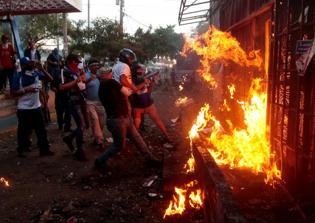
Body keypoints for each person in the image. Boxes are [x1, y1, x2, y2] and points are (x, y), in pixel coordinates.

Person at [94, 70, 160, 169]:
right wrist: (143, 84)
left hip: (120, 119)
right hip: (118, 120)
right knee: (119, 146)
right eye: (109, 72)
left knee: (137, 138)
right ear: (104, 75)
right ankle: (99, 161)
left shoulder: (101, 87)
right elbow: (128, 93)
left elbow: (121, 95)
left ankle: (150, 159)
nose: (111, 73)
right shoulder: (111, 82)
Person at [11, 57, 54, 157]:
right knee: (23, 131)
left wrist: (42, 69)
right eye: (28, 64)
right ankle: (21, 150)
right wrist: (27, 90)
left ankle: (44, 150)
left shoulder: (36, 74)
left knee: (41, 130)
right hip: (23, 109)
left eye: (31, 63)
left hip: (37, 107)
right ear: (22, 66)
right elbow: (13, 93)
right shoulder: (18, 76)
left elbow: (50, 79)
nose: (31, 65)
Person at [54, 53, 87, 161]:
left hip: (80, 99)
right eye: (76, 62)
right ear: (71, 62)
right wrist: (76, 81)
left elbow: (79, 85)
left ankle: (69, 138)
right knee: (81, 125)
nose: (78, 64)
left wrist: (81, 79)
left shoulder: (74, 72)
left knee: (84, 125)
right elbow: (61, 87)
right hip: (71, 101)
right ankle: (79, 150)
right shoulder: (63, 71)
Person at [130, 63, 172, 142]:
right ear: (136, 70)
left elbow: (148, 92)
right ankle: (136, 140)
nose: (143, 70)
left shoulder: (143, 78)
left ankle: (168, 137)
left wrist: (151, 82)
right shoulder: (132, 79)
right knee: (137, 125)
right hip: (137, 105)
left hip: (148, 103)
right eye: (141, 69)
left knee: (158, 120)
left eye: (143, 69)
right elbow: (134, 89)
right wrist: (144, 82)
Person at [85, 59, 105, 149]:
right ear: (89, 67)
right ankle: (100, 141)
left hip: (100, 102)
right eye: (94, 65)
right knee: (95, 120)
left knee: (101, 122)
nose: (96, 67)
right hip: (90, 102)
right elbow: (81, 86)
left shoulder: (100, 75)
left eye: (97, 65)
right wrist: (89, 80)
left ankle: (96, 138)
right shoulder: (86, 75)